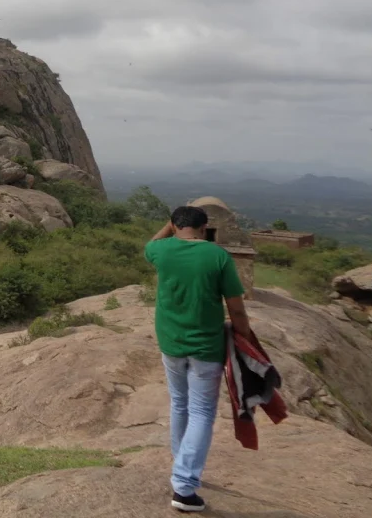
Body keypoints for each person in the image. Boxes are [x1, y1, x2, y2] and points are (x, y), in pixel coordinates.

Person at [145, 205, 251, 513]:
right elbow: (237, 308)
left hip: (170, 342)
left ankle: (182, 464)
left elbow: (150, 244)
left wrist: (170, 224)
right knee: (202, 412)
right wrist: (244, 337)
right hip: (205, 345)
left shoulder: (161, 251)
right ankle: (184, 486)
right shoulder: (217, 256)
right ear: (204, 229)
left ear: (175, 226)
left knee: (179, 403)